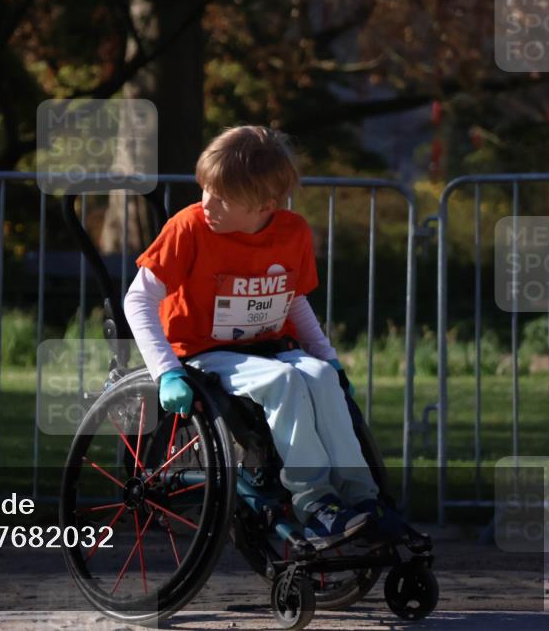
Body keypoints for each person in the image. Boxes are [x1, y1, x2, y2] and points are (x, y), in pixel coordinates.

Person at [123, 125, 401, 542]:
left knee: (322, 379)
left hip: (266, 348)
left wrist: (327, 357)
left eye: (222, 197)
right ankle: (316, 502)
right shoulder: (189, 228)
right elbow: (137, 300)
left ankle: (361, 497)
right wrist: (165, 372)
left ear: (265, 205)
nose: (207, 202)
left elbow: (292, 301)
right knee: (284, 381)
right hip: (202, 352)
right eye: (206, 189)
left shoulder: (292, 233)